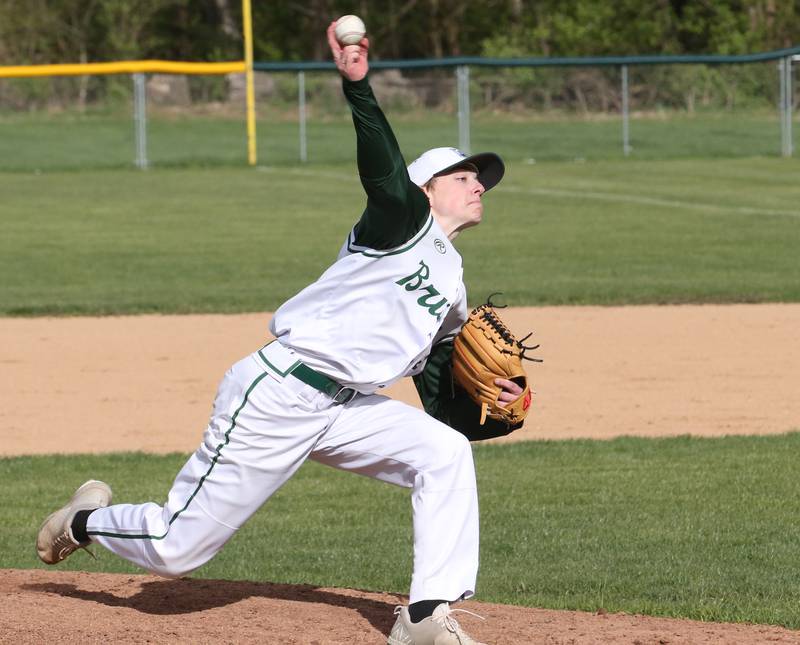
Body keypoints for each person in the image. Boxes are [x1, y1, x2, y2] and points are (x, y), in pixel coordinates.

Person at [36, 21, 525, 645]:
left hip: (349, 407)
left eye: (480, 179)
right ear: (426, 189)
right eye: (463, 176)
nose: (479, 184)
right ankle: (87, 522)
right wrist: (358, 87)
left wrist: (486, 405)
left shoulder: (453, 281)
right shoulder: (399, 220)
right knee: (179, 549)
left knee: (443, 453)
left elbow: (435, 380)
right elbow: (379, 164)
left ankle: (426, 616)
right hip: (280, 392)